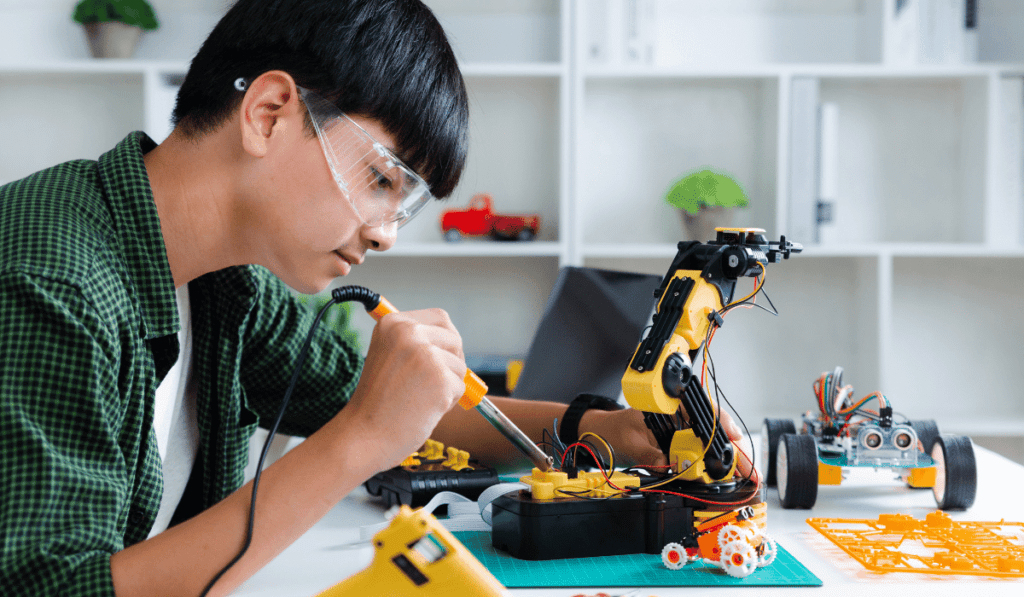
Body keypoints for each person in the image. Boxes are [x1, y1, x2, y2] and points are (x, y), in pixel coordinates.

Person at [0, 1, 749, 595]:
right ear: (269, 113)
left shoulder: (226, 278)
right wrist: (359, 437)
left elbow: (389, 403)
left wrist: (606, 431)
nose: (387, 233)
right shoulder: (49, 282)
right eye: (383, 180)